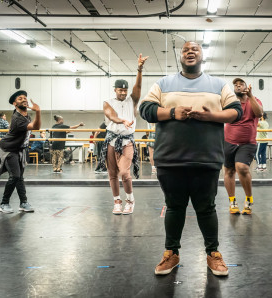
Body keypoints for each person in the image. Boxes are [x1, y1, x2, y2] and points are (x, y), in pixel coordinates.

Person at [140, 41, 242, 277]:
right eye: (186, 49)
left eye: (195, 49)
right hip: (170, 158)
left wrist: (211, 117)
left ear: (202, 55)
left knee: (206, 208)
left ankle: (213, 254)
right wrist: (172, 112)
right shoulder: (164, 84)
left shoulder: (218, 85)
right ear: (181, 56)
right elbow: (145, 109)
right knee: (174, 207)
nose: (190, 52)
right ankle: (171, 253)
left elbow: (236, 111)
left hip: (206, 159)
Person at [95, 53, 148, 215]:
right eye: (121, 90)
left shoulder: (132, 101)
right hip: (111, 140)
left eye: (125, 90)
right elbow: (111, 116)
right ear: (115, 90)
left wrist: (139, 69)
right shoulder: (108, 102)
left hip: (127, 141)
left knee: (124, 172)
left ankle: (130, 200)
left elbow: (137, 88)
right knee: (112, 174)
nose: (124, 93)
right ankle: (117, 201)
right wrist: (122, 121)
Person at [0, 90, 41, 213]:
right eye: (20, 98)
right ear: (15, 104)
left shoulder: (25, 116)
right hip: (8, 149)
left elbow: (35, 126)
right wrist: (38, 111)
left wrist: (36, 113)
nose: (24, 99)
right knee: (15, 175)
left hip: (19, 149)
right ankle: (4, 203)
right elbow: (36, 127)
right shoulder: (17, 119)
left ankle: (23, 202)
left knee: (19, 177)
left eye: (25, 98)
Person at [224, 78, 263, 215]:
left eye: (241, 84)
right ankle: (232, 201)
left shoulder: (255, 100)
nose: (238, 86)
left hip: (247, 143)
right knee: (229, 171)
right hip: (228, 141)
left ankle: (248, 199)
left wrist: (251, 96)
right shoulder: (231, 102)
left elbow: (259, 113)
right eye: (235, 85)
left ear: (247, 87)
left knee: (242, 167)